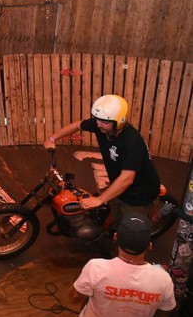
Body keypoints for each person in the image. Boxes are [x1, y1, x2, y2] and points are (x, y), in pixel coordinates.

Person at [46, 95, 161, 223]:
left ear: (119, 122)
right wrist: (52, 139)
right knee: (110, 217)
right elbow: (78, 125)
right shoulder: (102, 124)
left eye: (104, 122)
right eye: (97, 119)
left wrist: (99, 200)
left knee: (128, 232)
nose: (98, 124)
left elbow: (127, 178)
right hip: (119, 184)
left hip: (139, 195)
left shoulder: (132, 141)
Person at [70, 212, 176, 317]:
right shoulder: (163, 279)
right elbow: (164, 314)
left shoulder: (96, 267)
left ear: (115, 237)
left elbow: (74, 297)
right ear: (149, 245)